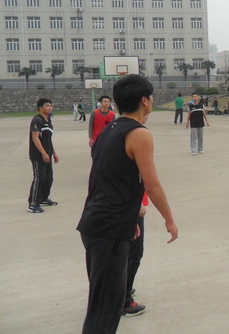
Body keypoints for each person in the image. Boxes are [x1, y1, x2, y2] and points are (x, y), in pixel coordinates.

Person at [77, 74, 178, 334]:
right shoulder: (139, 133)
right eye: (151, 97)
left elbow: (102, 179)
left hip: (97, 223)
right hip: (108, 229)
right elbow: (152, 185)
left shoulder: (110, 129)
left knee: (104, 303)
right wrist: (169, 219)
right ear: (144, 100)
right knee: (104, 312)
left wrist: (131, 216)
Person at [28, 98, 60, 213]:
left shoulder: (48, 120)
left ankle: (43, 198)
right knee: (39, 179)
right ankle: (33, 204)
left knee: (48, 178)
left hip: (48, 154)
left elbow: (48, 139)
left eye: (50, 105)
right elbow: (35, 138)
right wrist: (43, 153)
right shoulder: (37, 120)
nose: (49, 108)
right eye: (47, 106)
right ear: (40, 108)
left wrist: (54, 152)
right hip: (38, 155)